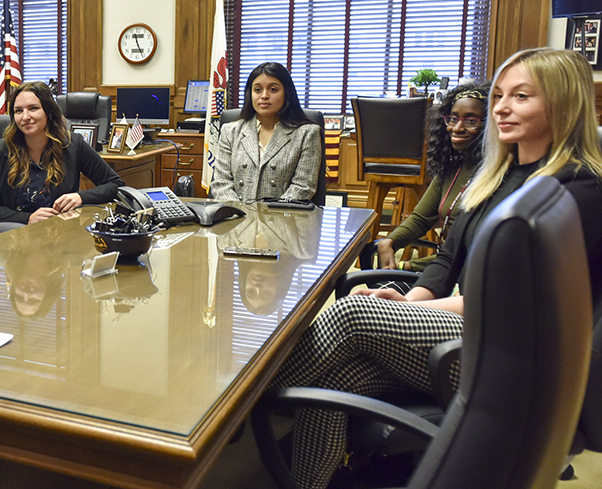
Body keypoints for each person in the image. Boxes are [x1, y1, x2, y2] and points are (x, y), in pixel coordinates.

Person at [267, 47, 602, 489]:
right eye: (499, 95)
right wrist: (409, 301)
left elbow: (509, 307)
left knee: (351, 312)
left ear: (562, 103)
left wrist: (418, 313)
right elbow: (448, 260)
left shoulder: (576, 191)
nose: (501, 107)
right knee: (333, 381)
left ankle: (246, 399)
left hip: (505, 355)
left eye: (521, 97)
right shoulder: (498, 175)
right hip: (469, 328)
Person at [0, 82, 124, 238]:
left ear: (49, 112)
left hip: (57, 232)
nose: (25, 117)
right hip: (7, 233)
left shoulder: (72, 145)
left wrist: (80, 197)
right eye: (18, 111)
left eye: (33, 108)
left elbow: (114, 184)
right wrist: (28, 219)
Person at [372, 81, 490, 271]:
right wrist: (389, 241)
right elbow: (420, 218)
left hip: (464, 277)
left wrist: (407, 266)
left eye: (470, 121)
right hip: (441, 270)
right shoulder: (452, 167)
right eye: (453, 119)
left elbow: (470, 253)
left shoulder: (497, 175)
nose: (457, 128)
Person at [210, 62, 322, 203]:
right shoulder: (230, 131)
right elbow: (221, 183)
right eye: (257, 90)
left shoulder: (307, 133)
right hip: (236, 218)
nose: (264, 96)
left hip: (284, 219)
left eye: (273, 90)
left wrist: (270, 216)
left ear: (287, 93)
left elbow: (303, 187)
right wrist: (240, 213)